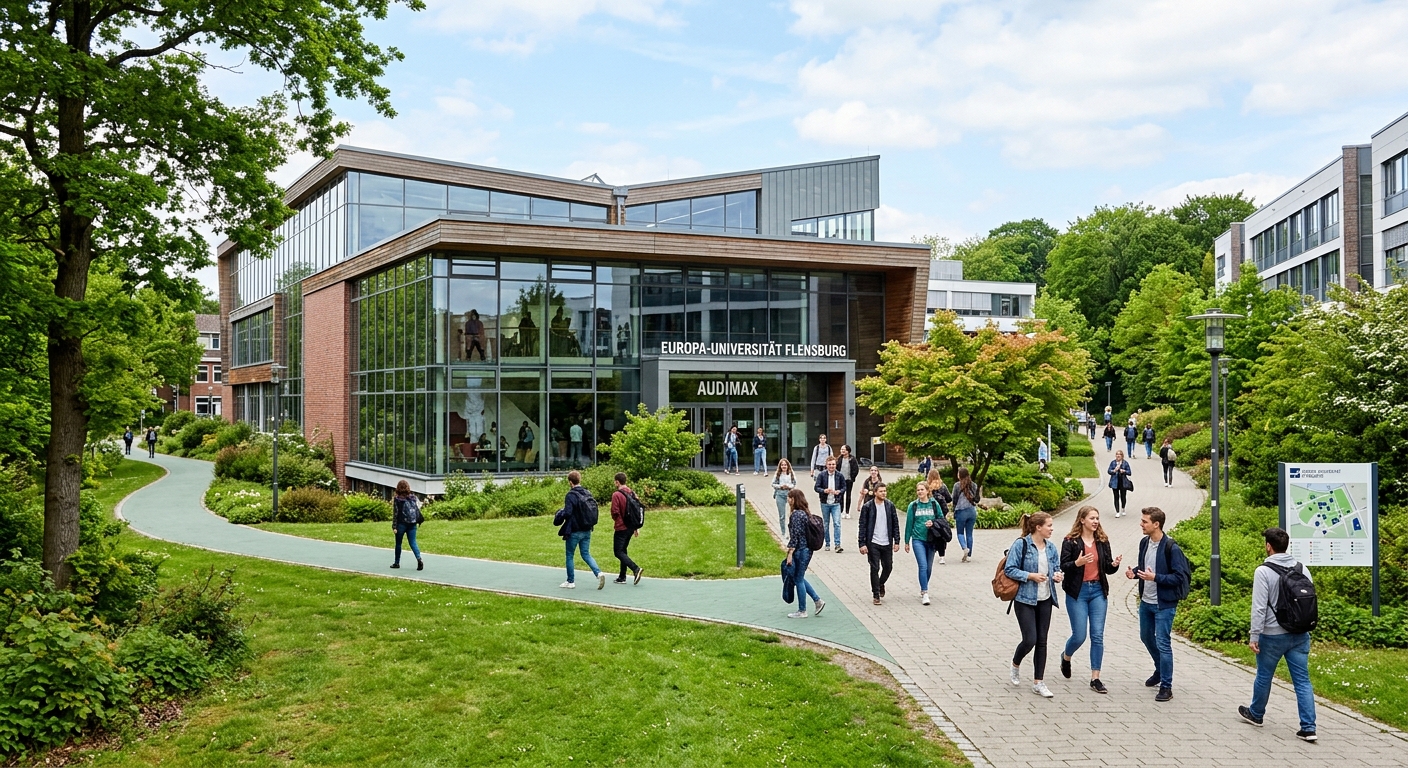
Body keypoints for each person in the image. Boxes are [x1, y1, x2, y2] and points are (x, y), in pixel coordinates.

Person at [1239, 526, 1317, 742]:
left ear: (1268, 546)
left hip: (1272, 635)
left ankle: (1256, 714)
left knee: (1264, 676)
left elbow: (1259, 608)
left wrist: (1254, 636)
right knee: (1302, 681)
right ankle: (1309, 727)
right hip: (1299, 633)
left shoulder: (1263, 571)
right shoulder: (1302, 568)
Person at [1126, 507, 1190, 702]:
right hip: (1146, 601)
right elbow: (1145, 567)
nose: (1141, 524)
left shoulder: (1172, 548)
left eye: (1145, 521)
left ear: (1156, 524)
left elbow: (1179, 577)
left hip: (1164, 604)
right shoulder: (1144, 543)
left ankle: (1166, 686)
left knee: (1163, 642)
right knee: (1146, 637)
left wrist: (1155, 577)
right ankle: (1160, 669)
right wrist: (1134, 573)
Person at [1058, 506, 1122, 693]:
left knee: (1097, 635)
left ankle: (1096, 678)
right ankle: (1066, 656)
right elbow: (1063, 566)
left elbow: (1107, 568)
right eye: (1092, 518)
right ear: (1082, 520)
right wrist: (1077, 563)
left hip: (1098, 592)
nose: (1095, 521)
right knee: (1079, 635)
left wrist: (1114, 564)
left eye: (1097, 518)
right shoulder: (1070, 541)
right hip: (1078, 592)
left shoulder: (1102, 541)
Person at [1005, 512, 1064, 698]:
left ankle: (1038, 682)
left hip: (1045, 598)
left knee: (1042, 640)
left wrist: (1058, 576)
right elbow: (1009, 569)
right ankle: (1015, 664)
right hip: (1024, 599)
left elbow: (1057, 568)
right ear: (1038, 527)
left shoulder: (1051, 547)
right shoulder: (1021, 544)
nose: (1052, 529)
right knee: (1030, 639)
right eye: (1049, 525)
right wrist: (1030, 576)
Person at [559, 470, 606, 590]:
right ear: (579, 480)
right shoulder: (587, 493)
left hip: (574, 530)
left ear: (570, 482)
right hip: (587, 529)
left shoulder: (570, 495)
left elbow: (568, 512)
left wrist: (560, 513)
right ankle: (598, 573)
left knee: (570, 555)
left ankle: (570, 581)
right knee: (586, 554)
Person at [784, 488, 825, 619]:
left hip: (800, 550)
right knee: (799, 577)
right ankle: (817, 600)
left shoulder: (796, 515)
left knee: (798, 579)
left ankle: (802, 610)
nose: (787, 500)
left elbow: (795, 536)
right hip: (807, 549)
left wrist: (790, 552)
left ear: (793, 499)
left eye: (789, 497)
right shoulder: (805, 513)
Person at [858, 483, 900, 605]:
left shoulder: (890, 506)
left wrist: (897, 541)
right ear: (875, 493)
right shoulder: (867, 507)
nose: (883, 493)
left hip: (887, 542)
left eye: (885, 491)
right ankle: (876, 594)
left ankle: (880, 583)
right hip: (873, 542)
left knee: (888, 567)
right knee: (874, 567)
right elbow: (862, 525)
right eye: (881, 491)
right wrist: (862, 543)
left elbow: (895, 524)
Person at [903, 481, 942, 605]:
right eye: (918, 490)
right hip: (918, 539)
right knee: (923, 566)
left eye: (922, 489)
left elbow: (941, 519)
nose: (920, 492)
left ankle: (923, 586)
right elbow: (909, 524)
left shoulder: (934, 504)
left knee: (929, 568)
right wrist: (906, 541)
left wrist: (933, 523)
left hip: (931, 540)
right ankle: (925, 592)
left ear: (927, 491)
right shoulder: (913, 506)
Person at [609, 472, 643, 585]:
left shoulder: (616, 495)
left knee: (618, 552)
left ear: (617, 482)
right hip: (631, 527)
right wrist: (636, 527)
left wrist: (617, 521)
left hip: (621, 527)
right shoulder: (632, 493)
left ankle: (636, 569)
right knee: (623, 550)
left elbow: (615, 511)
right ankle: (622, 576)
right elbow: (637, 511)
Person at [814, 456, 846, 552]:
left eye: (833, 464)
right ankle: (827, 543)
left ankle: (837, 544)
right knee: (826, 524)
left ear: (836, 465)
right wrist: (824, 490)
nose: (831, 466)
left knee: (837, 523)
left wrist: (839, 491)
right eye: (830, 464)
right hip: (825, 502)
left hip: (836, 502)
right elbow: (816, 487)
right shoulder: (822, 475)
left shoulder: (839, 475)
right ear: (826, 465)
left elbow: (844, 487)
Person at [391, 480, 424, 571]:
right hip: (412, 523)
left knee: (398, 543)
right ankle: (419, 559)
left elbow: (396, 513)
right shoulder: (413, 497)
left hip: (401, 524)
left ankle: (397, 563)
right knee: (413, 542)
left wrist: (394, 526)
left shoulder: (397, 499)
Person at [951, 466, 979, 562]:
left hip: (961, 511)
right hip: (972, 511)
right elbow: (976, 498)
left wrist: (953, 509)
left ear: (960, 475)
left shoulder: (957, 485)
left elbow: (954, 499)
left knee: (960, 533)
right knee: (969, 534)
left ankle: (964, 548)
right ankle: (969, 556)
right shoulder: (974, 485)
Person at [772, 459, 798, 531]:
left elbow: (794, 483)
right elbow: (773, 484)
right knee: (782, 515)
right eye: (782, 465)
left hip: (789, 494)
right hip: (780, 494)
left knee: (792, 514)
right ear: (780, 466)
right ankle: (783, 532)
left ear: (788, 466)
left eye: (785, 465)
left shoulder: (791, 473)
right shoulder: (777, 474)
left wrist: (789, 486)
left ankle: (792, 530)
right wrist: (780, 486)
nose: (784, 466)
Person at [836, 445, 859, 519]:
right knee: (841, 496)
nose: (842, 451)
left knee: (848, 496)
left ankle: (847, 512)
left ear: (848, 451)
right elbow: (836, 468)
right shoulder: (839, 459)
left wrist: (852, 477)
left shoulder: (852, 459)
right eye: (841, 449)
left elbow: (856, 469)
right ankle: (841, 511)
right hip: (841, 480)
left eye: (844, 449)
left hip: (849, 480)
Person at [1107, 450, 1132, 517]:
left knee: (1123, 496)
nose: (1118, 456)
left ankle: (1123, 508)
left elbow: (1129, 472)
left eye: (1120, 454)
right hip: (1114, 482)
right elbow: (1109, 471)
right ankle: (1117, 511)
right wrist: (1114, 470)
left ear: (1122, 456)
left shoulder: (1125, 463)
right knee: (1116, 497)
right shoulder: (1113, 463)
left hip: (1123, 482)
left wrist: (1124, 471)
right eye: (1117, 454)